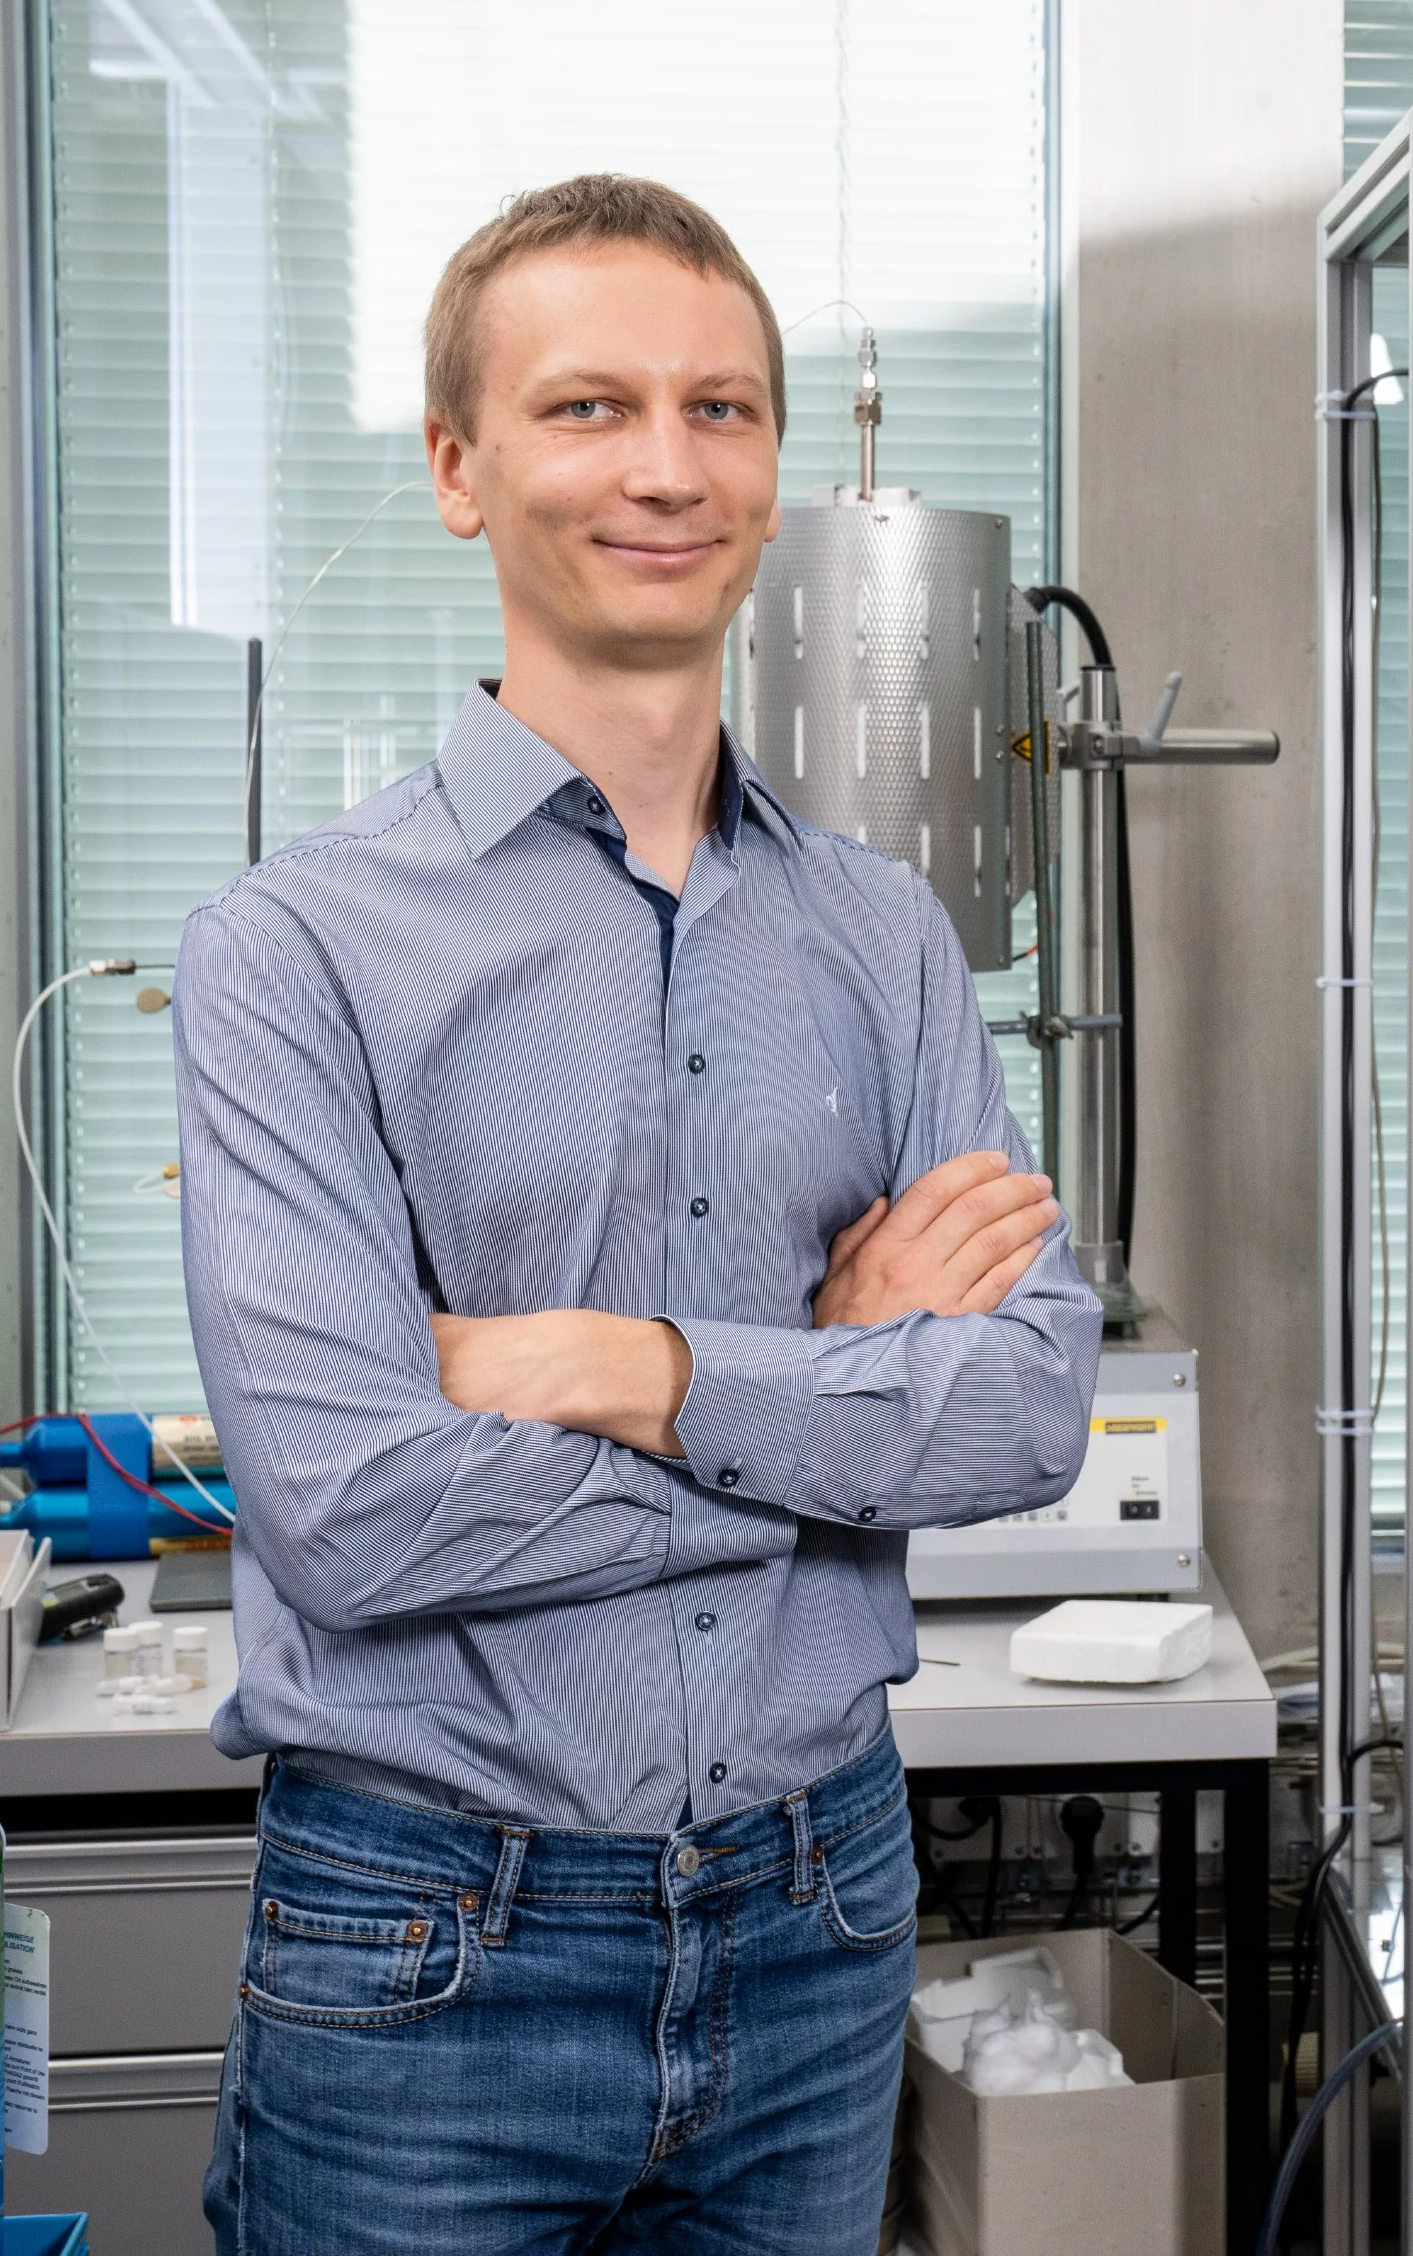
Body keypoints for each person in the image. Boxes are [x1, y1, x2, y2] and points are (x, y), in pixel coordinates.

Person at [175, 174, 1100, 2252]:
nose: (665, 467)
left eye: (721, 408)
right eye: (588, 407)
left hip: (821, 1908)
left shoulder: (885, 940)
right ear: (457, 467)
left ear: (773, 468)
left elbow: (1033, 1415)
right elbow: (347, 1506)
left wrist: (634, 1370)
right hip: (428, 1938)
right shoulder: (291, 949)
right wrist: (842, 1405)